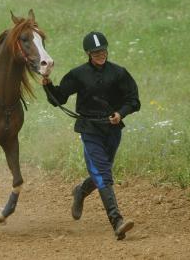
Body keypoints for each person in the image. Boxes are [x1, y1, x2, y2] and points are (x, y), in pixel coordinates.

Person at [42, 31, 140, 240]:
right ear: (88, 53)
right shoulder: (77, 74)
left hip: (113, 130)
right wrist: (47, 83)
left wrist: (120, 113)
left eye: (102, 50)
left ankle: (81, 191)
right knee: (103, 173)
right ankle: (117, 221)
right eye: (95, 52)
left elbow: (133, 100)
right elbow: (58, 98)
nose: (100, 54)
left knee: (101, 173)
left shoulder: (119, 73)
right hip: (89, 129)